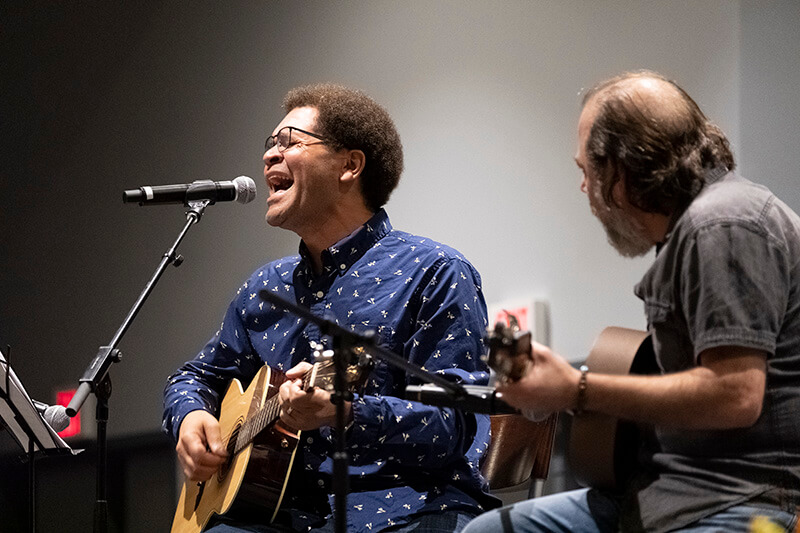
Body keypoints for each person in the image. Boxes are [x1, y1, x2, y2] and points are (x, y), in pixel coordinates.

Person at [464, 70, 800, 532]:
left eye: (586, 171)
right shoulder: (692, 232)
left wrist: (578, 389)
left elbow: (735, 395)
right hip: (662, 491)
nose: (584, 188)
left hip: (739, 500)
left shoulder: (723, 224)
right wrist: (560, 393)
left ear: (621, 170)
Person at [163, 84, 499, 533]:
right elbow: (196, 376)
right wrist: (191, 415)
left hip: (407, 510)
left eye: (289, 143)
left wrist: (348, 413)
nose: (269, 157)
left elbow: (456, 425)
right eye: (270, 145)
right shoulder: (265, 287)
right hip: (276, 515)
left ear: (349, 165)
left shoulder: (435, 272)